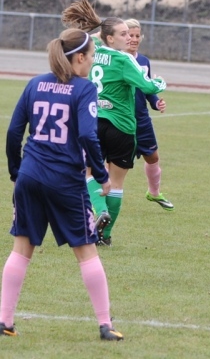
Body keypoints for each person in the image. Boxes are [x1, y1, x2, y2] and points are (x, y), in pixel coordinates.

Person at [1, 28, 123, 340]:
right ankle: (105, 325)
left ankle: (4, 321)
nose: (93, 62)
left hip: (30, 175)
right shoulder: (84, 88)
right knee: (86, 250)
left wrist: (18, 171)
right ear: (79, 57)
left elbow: (15, 132)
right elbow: (85, 135)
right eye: (92, 56)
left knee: (21, 248)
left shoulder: (34, 83)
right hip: (65, 180)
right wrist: (101, 173)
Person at [62, 0, 167, 246]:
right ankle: (105, 236)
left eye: (130, 34)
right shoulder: (124, 60)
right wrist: (161, 83)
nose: (128, 38)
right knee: (117, 183)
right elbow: (147, 85)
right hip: (122, 126)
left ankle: (99, 209)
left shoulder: (91, 53)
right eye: (122, 34)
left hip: (93, 122)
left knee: (88, 173)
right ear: (110, 38)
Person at [124, 18, 173, 211]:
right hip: (121, 118)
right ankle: (100, 198)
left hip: (142, 119)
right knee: (115, 163)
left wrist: (156, 101)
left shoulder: (143, 61)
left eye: (137, 35)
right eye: (130, 35)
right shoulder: (118, 59)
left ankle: (154, 193)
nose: (134, 39)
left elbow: (147, 88)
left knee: (152, 156)